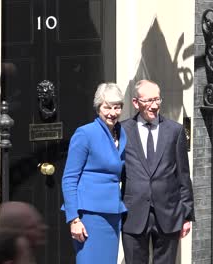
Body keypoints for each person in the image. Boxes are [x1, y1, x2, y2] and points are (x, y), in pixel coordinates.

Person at [121, 80, 194, 264]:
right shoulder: (122, 131)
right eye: (149, 101)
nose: (155, 105)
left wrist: (186, 216)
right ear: (136, 103)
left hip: (168, 215)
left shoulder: (175, 131)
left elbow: (183, 176)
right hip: (133, 215)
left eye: (158, 99)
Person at [61, 83, 127, 264]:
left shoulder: (122, 134)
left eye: (117, 107)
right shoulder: (85, 133)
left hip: (113, 214)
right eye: (107, 107)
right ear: (98, 108)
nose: (112, 112)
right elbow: (69, 178)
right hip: (89, 216)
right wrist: (73, 219)